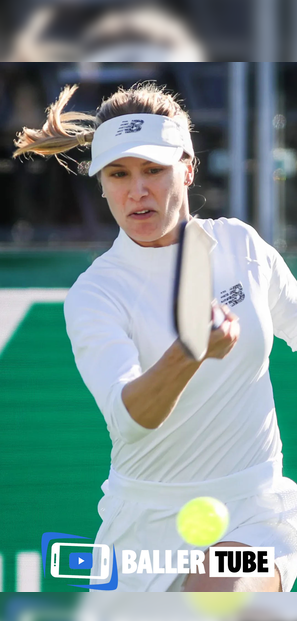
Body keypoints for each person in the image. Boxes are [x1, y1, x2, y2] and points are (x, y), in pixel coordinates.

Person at [13, 82, 297, 593]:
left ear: (187, 168)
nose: (136, 191)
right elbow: (131, 420)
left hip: (256, 517)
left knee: (222, 593)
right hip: (145, 535)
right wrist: (188, 352)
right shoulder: (96, 294)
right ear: (101, 183)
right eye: (119, 174)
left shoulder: (243, 247)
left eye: (153, 170)